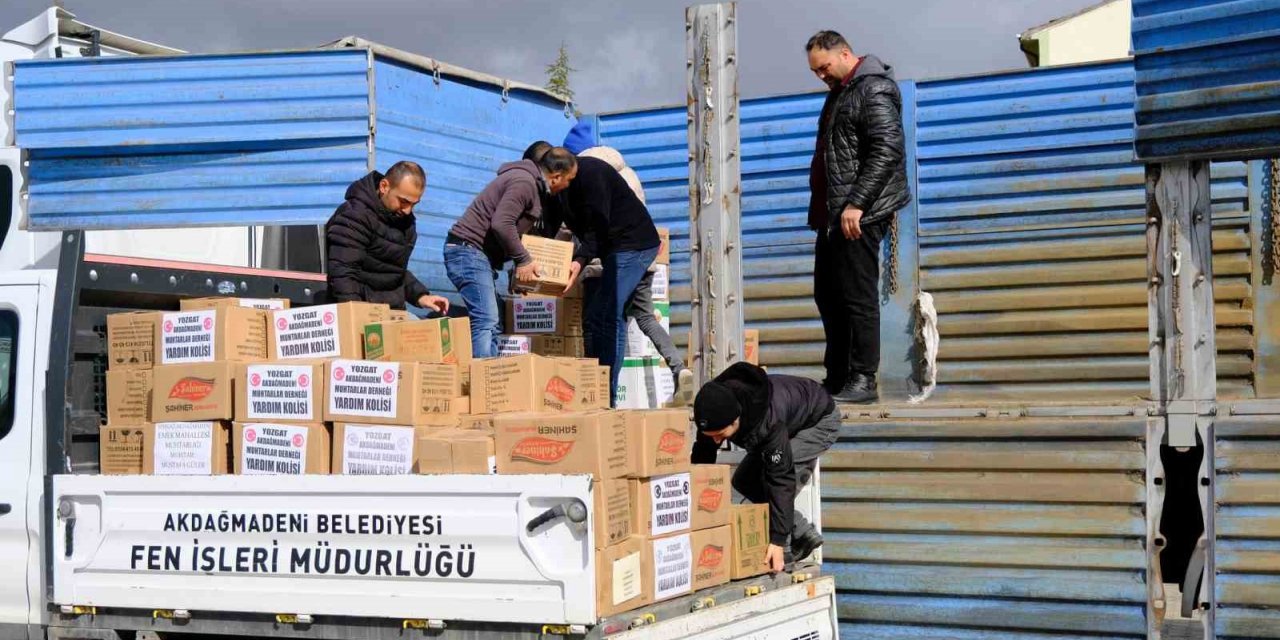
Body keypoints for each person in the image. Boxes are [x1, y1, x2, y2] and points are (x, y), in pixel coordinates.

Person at [524, 138, 693, 403]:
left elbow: (597, 230)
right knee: (596, 316)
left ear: (558, 173)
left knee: (609, 312)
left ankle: (606, 396)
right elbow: (552, 228)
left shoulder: (594, 175)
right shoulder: (560, 187)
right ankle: (598, 384)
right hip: (610, 250)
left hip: (633, 246)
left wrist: (577, 263)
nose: (545, 184)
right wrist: (534, 258)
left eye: (547, 179)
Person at [805, 30, 910, 404]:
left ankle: (863, 379)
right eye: (815, 71)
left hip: (858, 213)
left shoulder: (873, 89)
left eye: (824, 67)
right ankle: (836, 378)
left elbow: (887, 149)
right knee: (827, 295)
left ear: (845, 53)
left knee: (856, 295)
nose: (821, 76)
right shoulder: (840, 93)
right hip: (833, 213)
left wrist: (857, 204)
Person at [692, 362, 840, 572]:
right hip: (788, 419)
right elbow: (703, 452)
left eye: (721, 435)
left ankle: (787, 548)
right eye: (711, 436)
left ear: (736, 419)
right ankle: (803, 532)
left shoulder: (768, 422)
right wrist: (693, 492)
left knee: (774, 480)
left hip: (818, 422)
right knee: (744, 480)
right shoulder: (714, 406)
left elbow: (781, 480)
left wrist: (778, 541)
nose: (715, 441)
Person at [444, 147, 578, 358]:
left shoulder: (531, 185)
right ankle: (484, 384)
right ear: (556, 176)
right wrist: (523, 260)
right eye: (569, 180)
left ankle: (494, 380)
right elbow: (501, 224)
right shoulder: (524, 183)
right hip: (467, 251)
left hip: (478, 255)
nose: (569, 185)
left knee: (495, 324)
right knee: (486, 320)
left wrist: (518, 271)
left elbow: (510, 232)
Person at [325, 161, 450, 313]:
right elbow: (342, 274)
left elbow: (392, 272)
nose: (407, 210)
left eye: (414, 204)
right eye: (403, 201)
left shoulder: (405, 223)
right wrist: (357, 318)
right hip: (363, 313)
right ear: (384, 187)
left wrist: (421, 296)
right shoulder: (355, 216)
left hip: (392, 313)